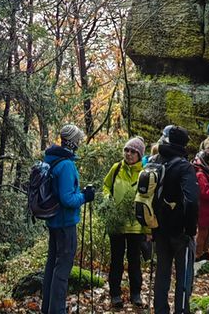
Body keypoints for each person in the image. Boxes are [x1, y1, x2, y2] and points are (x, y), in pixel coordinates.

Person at [41, 124, 96, 314]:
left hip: (54, 221)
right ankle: (57, 310)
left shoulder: (51, 160)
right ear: (72, 142)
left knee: (52, 266)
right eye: (78, 140)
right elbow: (67, 199)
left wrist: (79, 194)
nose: (80, 143)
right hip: (65, 222)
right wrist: (85, 196)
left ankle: (47, 308)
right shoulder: (66, 165)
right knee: (62, 269)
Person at [150, 125, 199, 314]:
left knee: (162, 273)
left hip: (159, 227)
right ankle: (181, 310)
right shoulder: (184, 166)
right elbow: (192, 201)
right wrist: (190, 229)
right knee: (184, 275)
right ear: (184, 144)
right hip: (180, 231)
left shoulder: (154, 161)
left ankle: (160, 310)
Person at [102, 137, 149, 308]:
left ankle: (135, 294)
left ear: (139, 154)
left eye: (133, 152)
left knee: (134, 260)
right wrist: (107, 199)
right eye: (127, 150)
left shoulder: (145, 172)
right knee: (116, 260)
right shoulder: (116, 168)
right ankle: (115, 294)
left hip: (136, 225)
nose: (128, 154)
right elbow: (106, 186)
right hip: (117, 223)